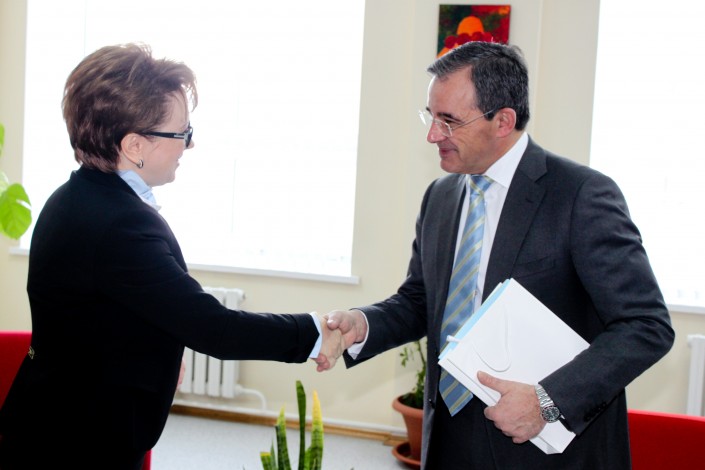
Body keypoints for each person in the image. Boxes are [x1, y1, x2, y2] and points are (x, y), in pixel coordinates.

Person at [326, 41, 674, 469]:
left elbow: (645, 326)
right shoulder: (440, 197)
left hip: (545, 449)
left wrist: (546, 401)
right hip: (449, 438)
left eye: (449, 121)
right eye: (430, 116)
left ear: (503, 121)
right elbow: (421, 301)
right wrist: (363, 324)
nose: (433, 135)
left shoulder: (580, 195)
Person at [0, 43, 343, 470]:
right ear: (134, 145)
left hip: (60, 419)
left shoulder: (76, 195)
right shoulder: (118, 225)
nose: (189, 144)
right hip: (76, 441)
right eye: (182, 133)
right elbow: (215, 329)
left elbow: (109, 314)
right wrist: (314, 332)